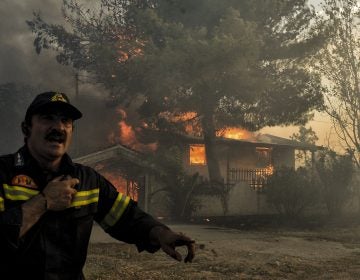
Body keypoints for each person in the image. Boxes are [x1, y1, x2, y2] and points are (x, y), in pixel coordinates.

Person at [0, 91, 195, 280]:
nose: (58, 127)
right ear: (26, 129)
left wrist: (162, 234)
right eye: (47, 118)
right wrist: (44, 202)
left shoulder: (88, 181)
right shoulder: (3, 173)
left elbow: (127, 217)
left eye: (66, 121)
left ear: (72, 131)